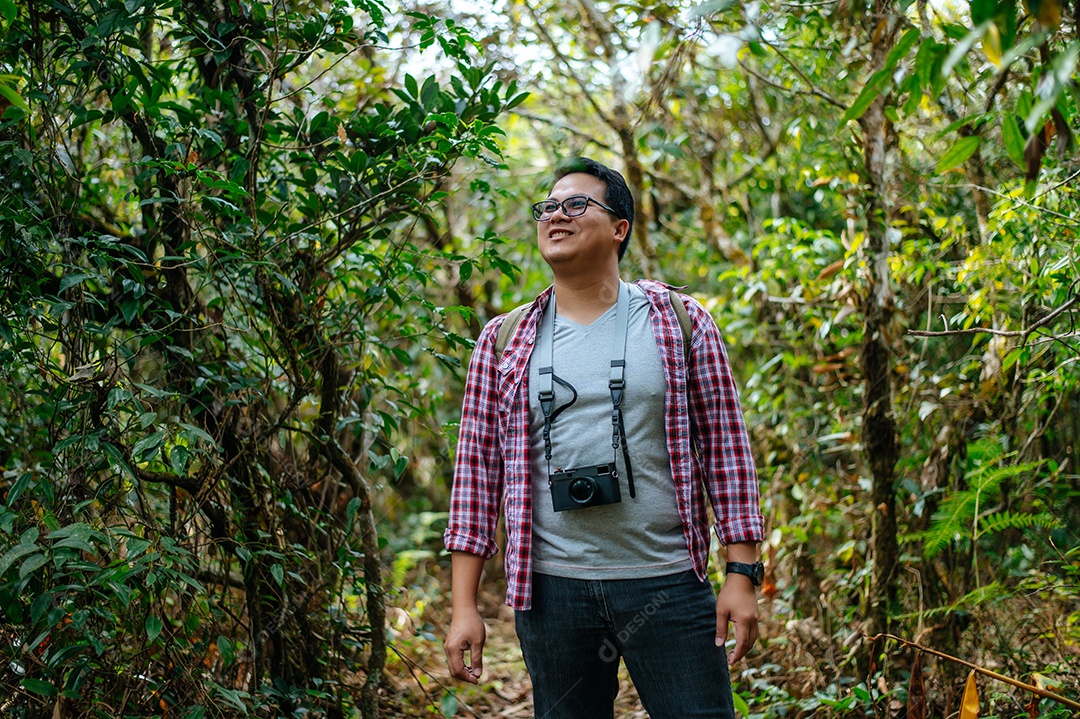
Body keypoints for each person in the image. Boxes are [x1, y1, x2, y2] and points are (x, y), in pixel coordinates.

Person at [443, 157, 765, 719]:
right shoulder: (503, 339)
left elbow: (726, 453)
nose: (555, 216)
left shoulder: (680, 322)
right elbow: (476, 476)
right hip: (551, 593)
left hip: (667, 582)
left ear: (619, 228)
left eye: (575, 204)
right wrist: (463, 606)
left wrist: (741, 574)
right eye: (547, 207)